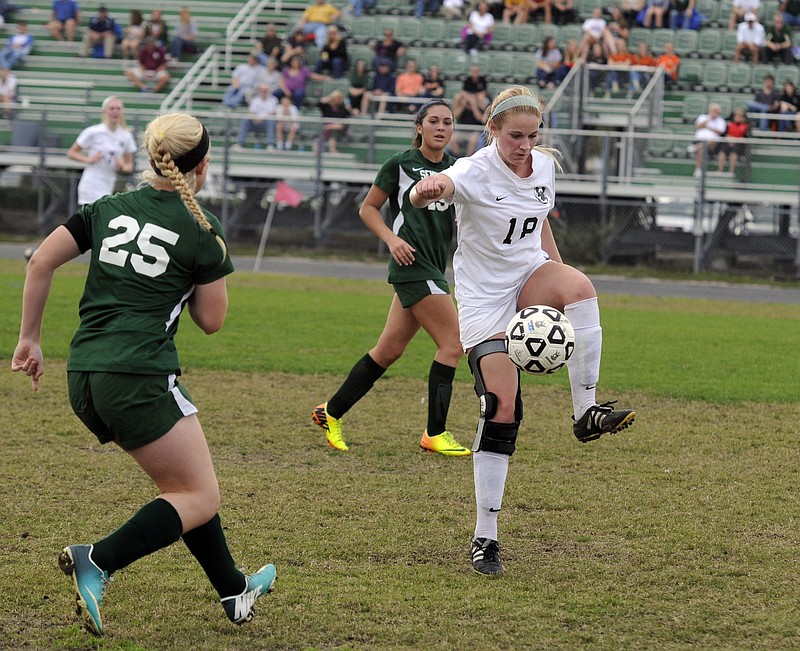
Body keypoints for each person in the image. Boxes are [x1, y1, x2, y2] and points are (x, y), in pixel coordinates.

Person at [11, 111, 276, 637]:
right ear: (201, 166)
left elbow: (40, 261)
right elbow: (212, 322)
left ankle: (233, 589)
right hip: (138, 373)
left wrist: (29, 338)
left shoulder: (106, 207)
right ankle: (99, 559)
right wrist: (208, 261)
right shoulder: (203, 227)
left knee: (185, 489)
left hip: (84, 373)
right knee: (197, 496)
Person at [408, 86, 636, 575]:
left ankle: (585, 412)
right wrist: (425, 190)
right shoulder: (474, 169)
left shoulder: (545, 166)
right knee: (502, 406)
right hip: (485, 301)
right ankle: (485, 536)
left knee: (580, 286)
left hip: (528, 275)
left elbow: (538, 221)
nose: (525, 145)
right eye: (515, 135)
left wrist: (556, 268)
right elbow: (437, 187)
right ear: (492, 130)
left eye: (533, 135)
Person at [312, 99, 467, 456]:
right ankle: (435, 432)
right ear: (419, 126)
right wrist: (392, 239)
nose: (441, 127)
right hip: (412, 265)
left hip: (433, 266)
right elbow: (368, 208)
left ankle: (330, 412)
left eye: (448, 122)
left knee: (388, 350)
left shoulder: (457, 169)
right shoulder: (399, 164)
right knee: (452, 345)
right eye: (433, 121)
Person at [66, 96, 136, 205]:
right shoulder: (94, 132)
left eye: (118, 109)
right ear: (104, 111)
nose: (115, 112)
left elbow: (129, 166)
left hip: (108, 185)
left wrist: (122, 167)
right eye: (112, 108)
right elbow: (71, 153)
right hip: (91, 184)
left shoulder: (126, 135)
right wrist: (89, 160)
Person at [452, 64, 490, 156]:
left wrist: (474, 105)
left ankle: (467, 160)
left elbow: (481, 120)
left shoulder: (480, 105)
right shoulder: (467, 83)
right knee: (452, 138)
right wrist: (463, 104)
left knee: (473, 139)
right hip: (463, 129)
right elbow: (455, 116)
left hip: (475, 130)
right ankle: (457, 158)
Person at [236, 83, 278, 150]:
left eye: (266, 90)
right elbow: (251, 112)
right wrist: (255, 119)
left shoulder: (273, 100)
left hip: (266, 122)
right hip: (254, 122)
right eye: (263, 90)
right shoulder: (255, 100)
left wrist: (262, 119)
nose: (264, 91)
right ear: (260, 90)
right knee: (246, 119)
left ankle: (270, 145)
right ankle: (240, 143)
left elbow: (272, 113)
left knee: (271, 121)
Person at [693, 102, 727, 176]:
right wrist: (708, 119)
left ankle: (720, 171)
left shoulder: (721, 121)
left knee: (706, 144)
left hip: (714, 144)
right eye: (713, 111)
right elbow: (698, 126)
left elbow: (720, 131)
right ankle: (698, 169)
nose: (714, 113)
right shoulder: (702, 117)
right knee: (701, 150)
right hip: (700, 140)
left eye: (716, 111)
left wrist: (708, 127)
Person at [719, 107, 750, 175]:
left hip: (738, 144)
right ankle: (720, 170)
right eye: (737, 116)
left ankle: (731, 172)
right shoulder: (729, 124)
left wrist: (736, 140)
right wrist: (729, 139)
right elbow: (724, 135)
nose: (738, 117)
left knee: (733, 155)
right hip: (728, 143)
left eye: (740, 116)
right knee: (722, 153)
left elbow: (745, 137)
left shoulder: (745, 126)